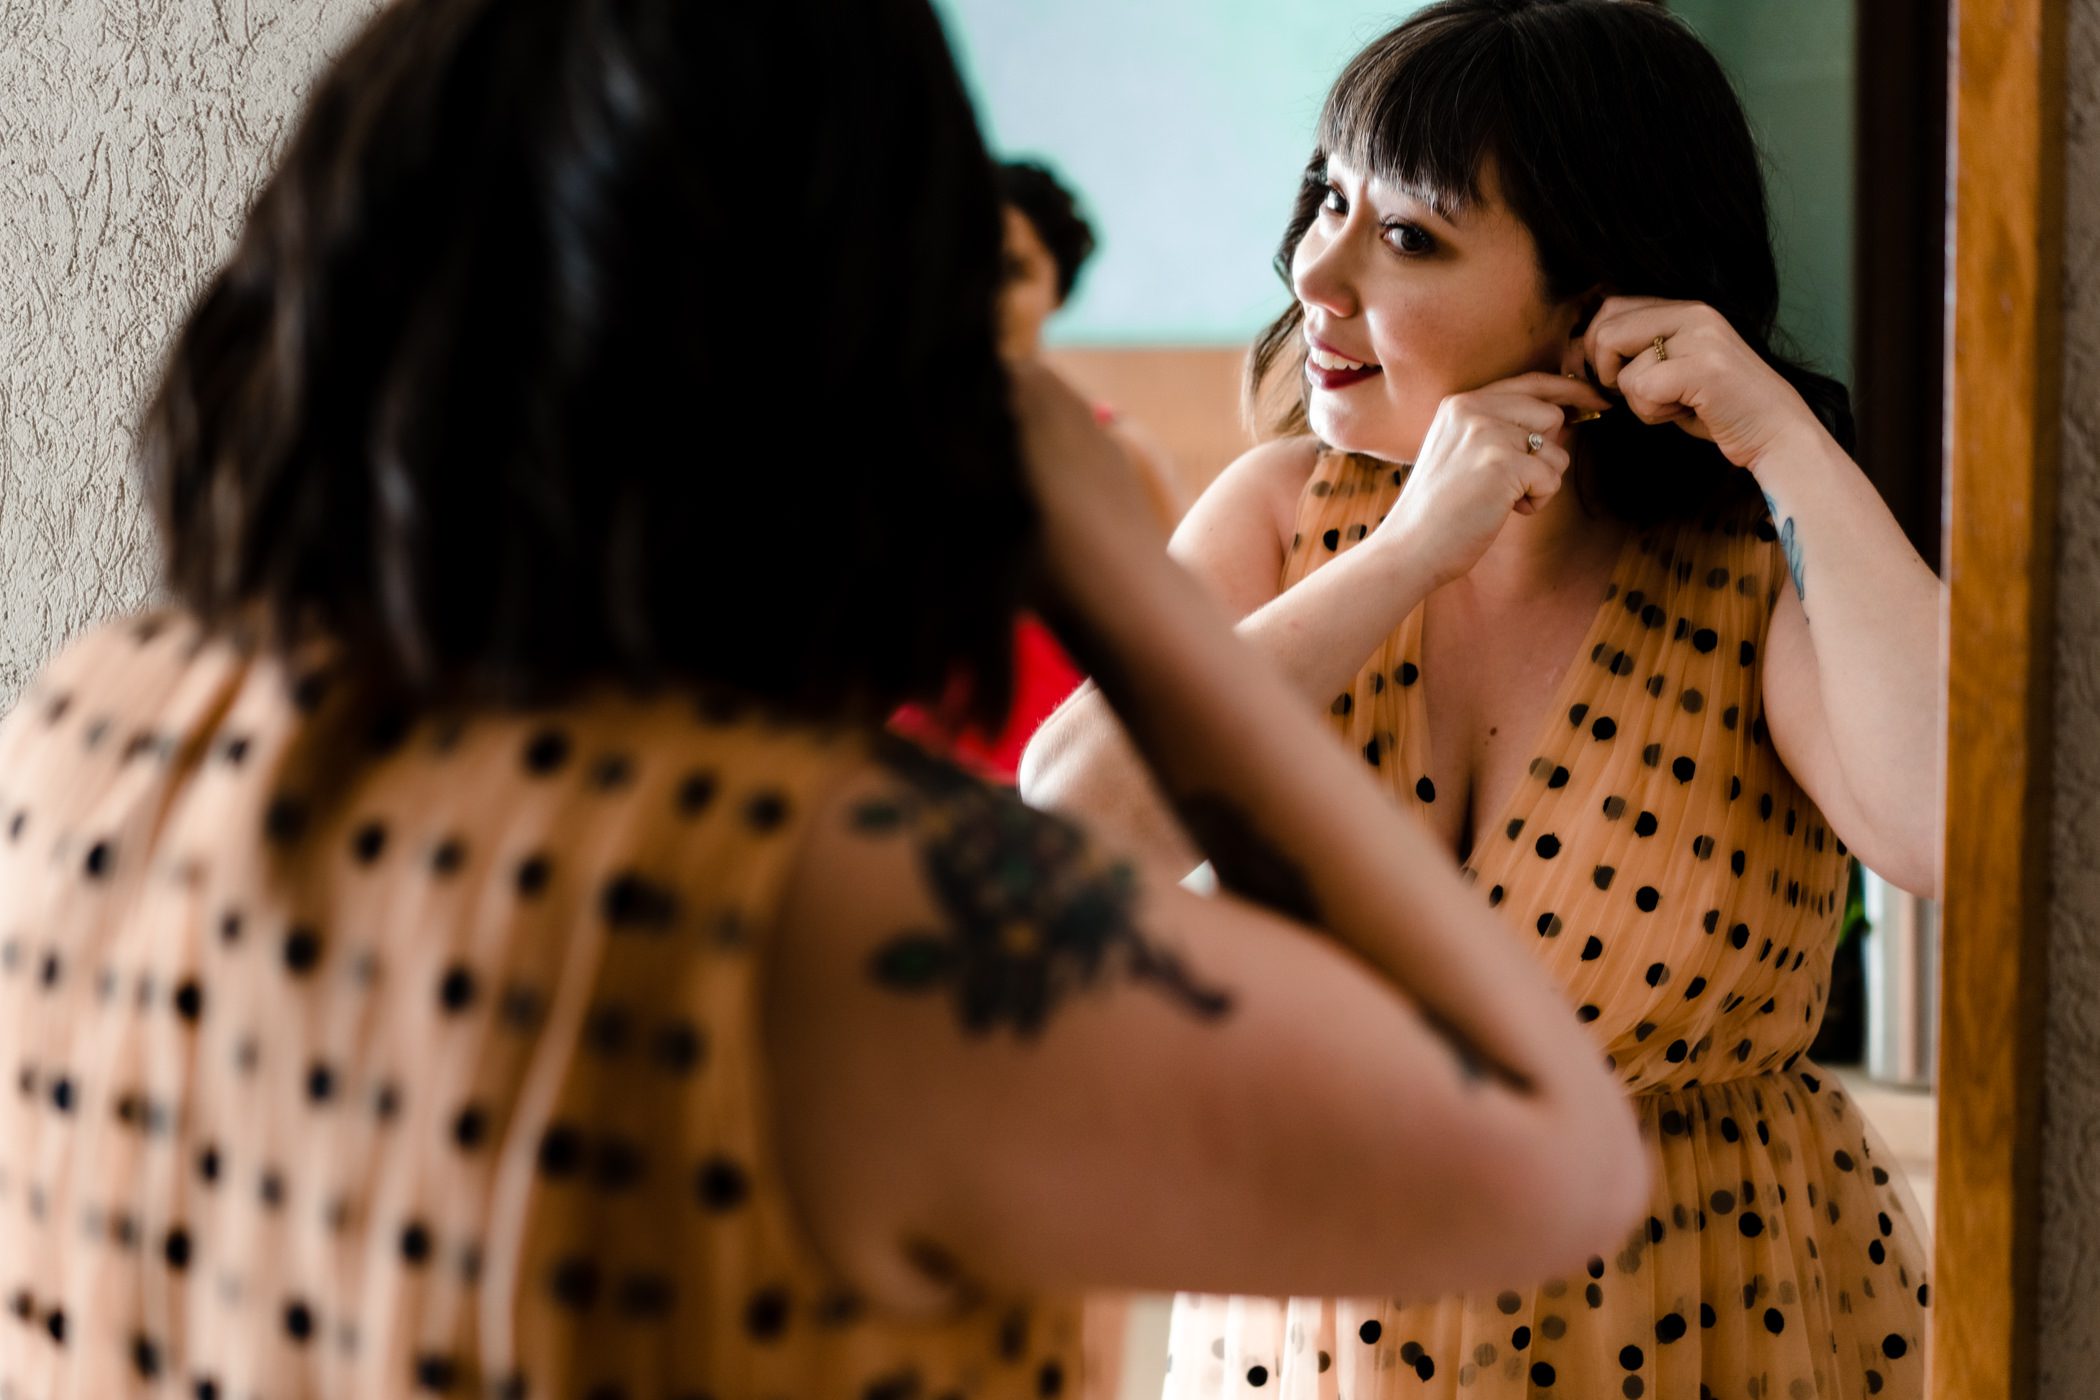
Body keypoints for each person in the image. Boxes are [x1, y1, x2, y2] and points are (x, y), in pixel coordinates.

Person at [0, 1, 1648, 1397]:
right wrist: (1125, 585)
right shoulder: (815, 901)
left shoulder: (91, 732)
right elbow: (1556, 1164)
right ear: (870, 347)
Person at [1021, 2, 1943, 1397]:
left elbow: (1940, 825)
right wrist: (1404, 559)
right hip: (1317, 1326)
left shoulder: (1749, 563)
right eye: (1326, 199)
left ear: (1601, 289)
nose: (1312, 270)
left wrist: (1780, 438)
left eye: (1407, 236)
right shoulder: (1282, 519)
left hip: (1697, 1311)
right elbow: (1074, 815)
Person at [895, 159, 1179, 782]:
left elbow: (1178, 654)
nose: (980, 294)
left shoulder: (1117, 455)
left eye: (1012, 271)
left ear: (1058, 286)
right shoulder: (874, 453)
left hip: (1058, 776)